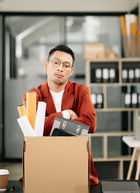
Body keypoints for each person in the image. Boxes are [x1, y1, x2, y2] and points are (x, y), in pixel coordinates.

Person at [22, 44, 99, 185]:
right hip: (43, 163)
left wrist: (48, 123)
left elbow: (90, 124)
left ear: (71, 71)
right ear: (46, 65)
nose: (60, 68)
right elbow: (34, 128)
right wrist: (67, 114)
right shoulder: (32, 95)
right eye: (56, 62)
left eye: (66, 65)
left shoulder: (81, 91)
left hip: (76, 162)